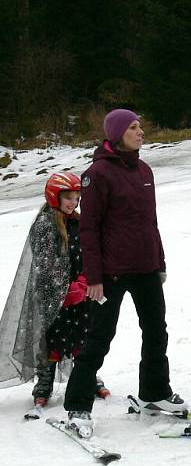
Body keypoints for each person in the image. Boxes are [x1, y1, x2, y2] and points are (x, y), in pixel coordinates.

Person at [63, 109, 185, 438]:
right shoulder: (98, 174)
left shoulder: (144, 169)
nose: (140, 131)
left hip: (146, 268)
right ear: (117, 133)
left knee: (156, 332)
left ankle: (155, 394)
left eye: (140, 126)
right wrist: (94, 277)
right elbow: (88, 230)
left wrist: (159, 262)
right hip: (111, 273)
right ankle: (78, 405)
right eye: (133, 127)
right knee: (98, 339)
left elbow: (150, 223)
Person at [0, 173, 104, 406]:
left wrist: (87, 279)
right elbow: (45, 263)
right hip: (52, 295)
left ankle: (85, 376)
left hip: (81, 294)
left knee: (84, 336)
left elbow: (90, 252)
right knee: (52, 337)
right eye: (68, 197)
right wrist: (63, 287)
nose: (73, 202)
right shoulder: (45, 224)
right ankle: (44, 380)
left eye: (77, 197)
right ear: (54, 196)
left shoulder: (78, 222)